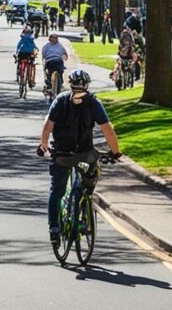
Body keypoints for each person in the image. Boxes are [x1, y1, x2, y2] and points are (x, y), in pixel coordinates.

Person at [38, 70, 121, 247]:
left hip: (61, 154)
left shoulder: (60, 100)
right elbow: (107, 128)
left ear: (69, 84)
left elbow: (48, 125)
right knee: (89, 178)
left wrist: (43, 145)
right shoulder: (93, 102)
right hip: (85, 153)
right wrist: (115, 152)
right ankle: (83, 204)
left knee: (57, 190)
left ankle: (54, 228)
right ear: (87, 84)